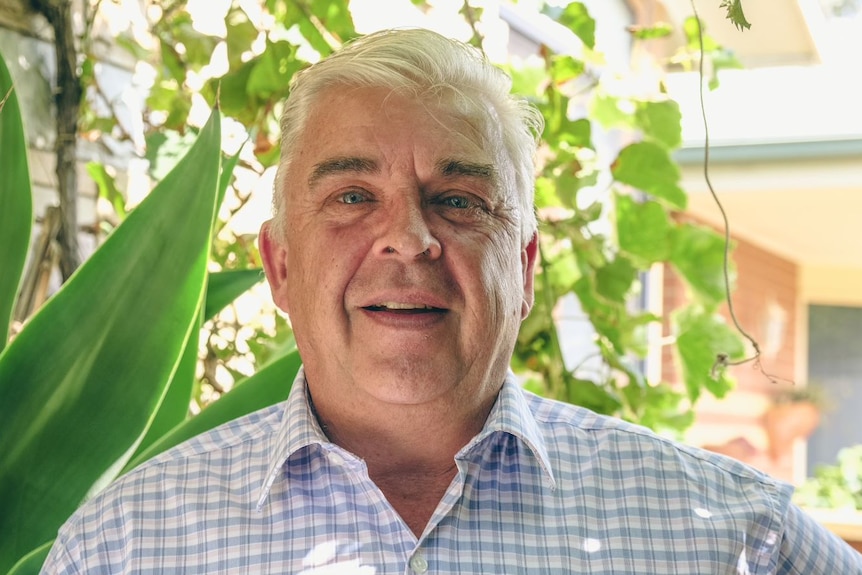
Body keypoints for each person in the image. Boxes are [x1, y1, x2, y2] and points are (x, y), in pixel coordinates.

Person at [41, 28, 861, 575]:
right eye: (354, 197)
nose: (410, 240)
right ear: (280, 267)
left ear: (526, 267)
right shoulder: (122, 546)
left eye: (461, 200)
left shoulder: (733, 537)